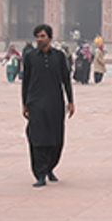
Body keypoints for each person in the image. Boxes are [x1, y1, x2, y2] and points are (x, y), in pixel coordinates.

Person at [20, 23, 76, 186]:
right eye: (37, 36)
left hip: (55, 103)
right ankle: (40, 173)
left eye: (42, 36)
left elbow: (66, 80)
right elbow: (26, 81)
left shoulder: (59, 56)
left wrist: (71, 101)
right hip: (36, 102)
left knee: (56, 138)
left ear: (50, 38)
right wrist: (24, 103)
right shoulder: (30, 57)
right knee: (37, 138)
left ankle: (50, 167)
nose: (39, 39)